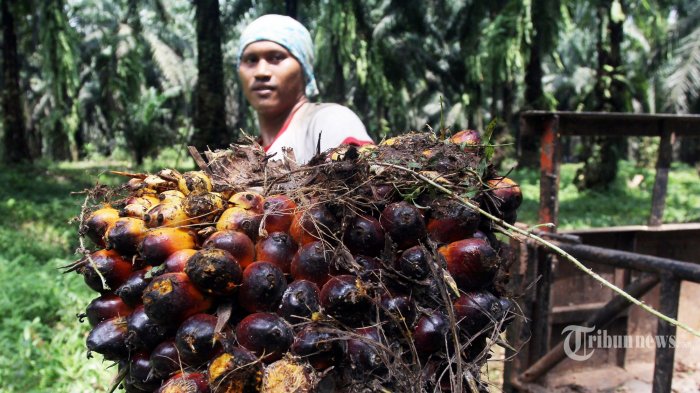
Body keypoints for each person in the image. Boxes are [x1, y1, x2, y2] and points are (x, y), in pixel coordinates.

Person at [237, 14, 374, 164]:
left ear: (304, 69)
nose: (261, 72)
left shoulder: (330, 120)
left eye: (276, 57)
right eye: (251, 60)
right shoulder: (245, 159)